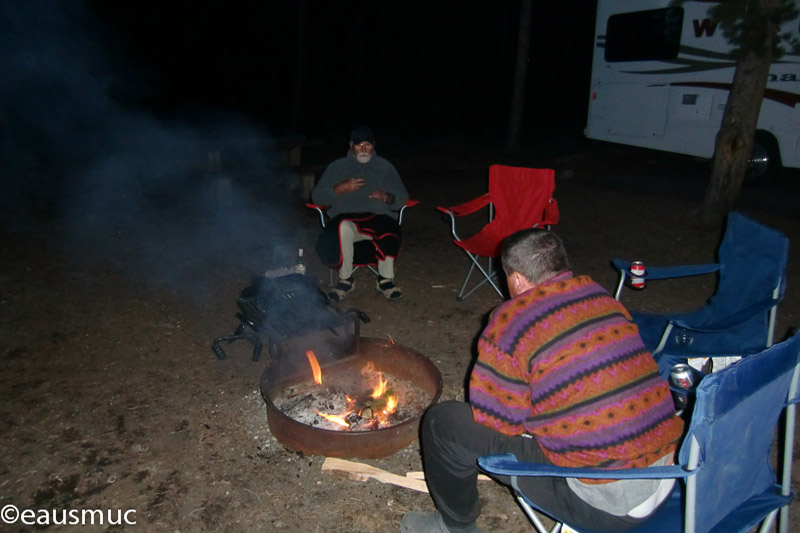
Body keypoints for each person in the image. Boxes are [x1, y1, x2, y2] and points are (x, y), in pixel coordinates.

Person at [402, 229, 685, 533]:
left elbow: (498, 421)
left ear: (518, 280)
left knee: (444, 423)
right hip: (668, 472)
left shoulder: (513, 320)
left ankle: (453, 525)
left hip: (606, 503)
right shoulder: (600, 296)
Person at [311, 126, 409, 301]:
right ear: (351, 145)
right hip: (347, 220)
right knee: (343, 227)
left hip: (378, 218)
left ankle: (386, 280)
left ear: (373, 145)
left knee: (387, 226)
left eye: (367, 145)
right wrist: (339, 189)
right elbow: (317, 197)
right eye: (359, 145)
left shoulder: (385, 167)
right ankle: (346, 280)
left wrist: (387, 197)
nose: (363, 149)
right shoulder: (337, 167)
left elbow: (402, 197)